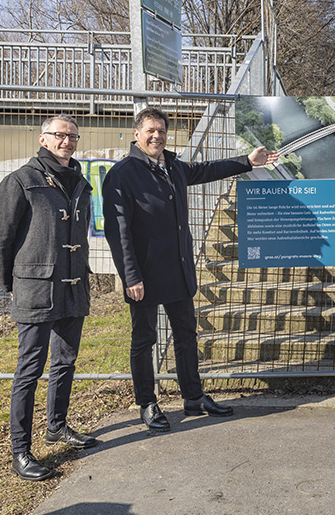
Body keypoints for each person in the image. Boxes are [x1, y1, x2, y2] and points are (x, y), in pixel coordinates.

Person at [102, 106, 278, 431]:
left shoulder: (172, 166)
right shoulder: (123, 174)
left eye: (162, 131)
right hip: (143, 275)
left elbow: (205, 170)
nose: (157, 136)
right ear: (137, 134)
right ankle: (147, 403)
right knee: (144, 339)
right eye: (150, 131)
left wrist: (247, 161)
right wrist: (130, 276)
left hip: (178, 271)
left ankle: (194, 397)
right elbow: (118, 231)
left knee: (186, 336)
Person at [0, 115, 98, 482]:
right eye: (60, 135)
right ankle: (20, 451)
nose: (67, 141)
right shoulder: (21, 180)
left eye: (73, 136)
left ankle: (57, 426)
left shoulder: (80, 182)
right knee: (29, 370)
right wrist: (11, 283)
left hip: (72, 285)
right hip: (36, 288)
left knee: (65, 360)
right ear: (43, 139)